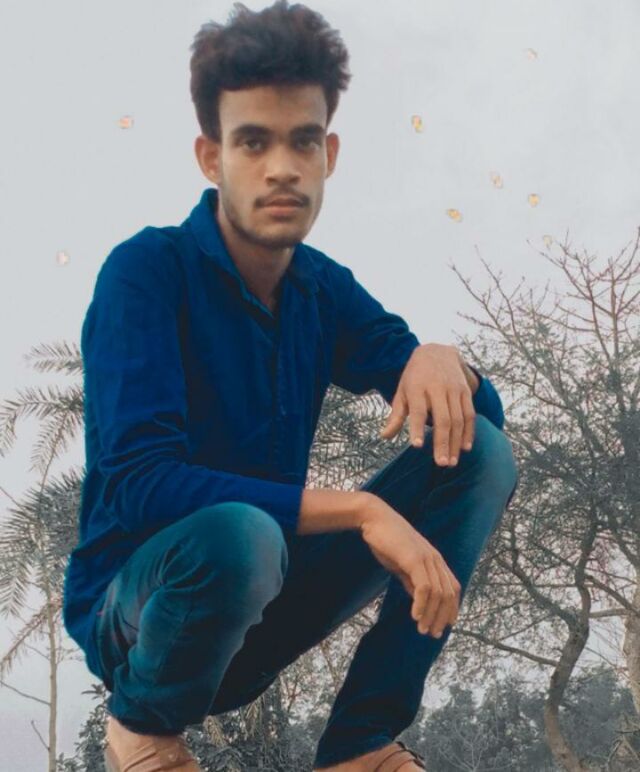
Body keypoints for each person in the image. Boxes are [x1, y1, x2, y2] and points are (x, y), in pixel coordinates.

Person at [62, 1, 519, 770]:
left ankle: (360, 745)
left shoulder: (321, 290)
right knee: (241, 534)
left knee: (481, 455)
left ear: (329, 153)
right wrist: (364, 510)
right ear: (211, 156)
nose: (281, 167)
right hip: (142, 622)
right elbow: (141, 486)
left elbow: (471, 427)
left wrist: (445, 361)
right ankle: (142, 730)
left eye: (302, 140)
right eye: (253, 142)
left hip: (263, 610)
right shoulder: (147, 271)